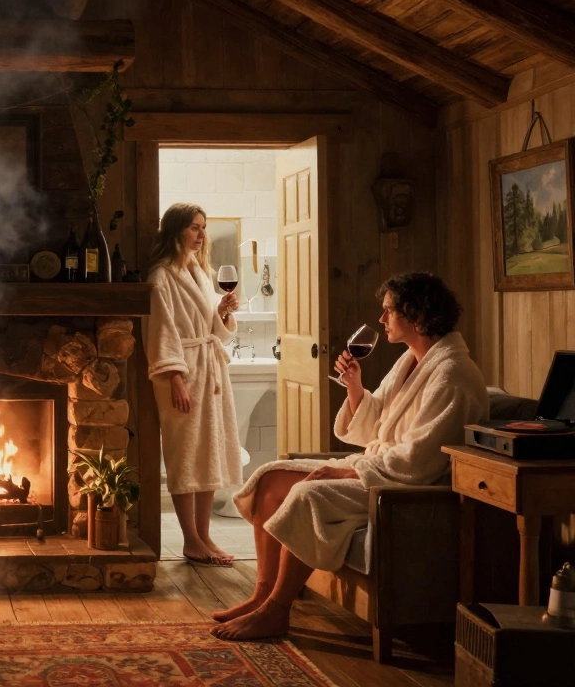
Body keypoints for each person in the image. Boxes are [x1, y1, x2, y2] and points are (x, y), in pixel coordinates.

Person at [211, 272, 488, 641]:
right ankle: (262, 593)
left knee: (307, 494)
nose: (381, 319)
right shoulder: (412, 361)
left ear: (417, 315)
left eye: (388, 311)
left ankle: (277, 611)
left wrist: (348, 474)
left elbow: (418, 461)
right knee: (270, 478)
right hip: (379, 468)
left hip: (404, 488)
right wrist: (356, 388)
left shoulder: (453, 375)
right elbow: (377, 425)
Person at [143, 203, 243, 567]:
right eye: (193, 228)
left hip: (208, 369)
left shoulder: (200, 273)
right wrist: (174, 377)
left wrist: (221, 313)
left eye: (203, 228)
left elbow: (208, 331)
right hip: (180, 374)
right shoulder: (161, 276)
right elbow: (162, 331)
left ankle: (205, 537)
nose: (201, 236)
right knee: (185, 456)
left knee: (208, 454)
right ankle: (190, 540)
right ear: (175, 231)